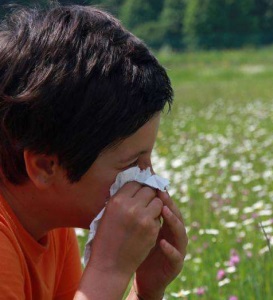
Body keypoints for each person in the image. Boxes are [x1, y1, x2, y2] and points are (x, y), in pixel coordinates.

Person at [0, 4, 188, 299]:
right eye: (131, 164)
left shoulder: (48, 217)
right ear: (45, 166)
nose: (151, 180)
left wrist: (145, 292)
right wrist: (108, 270)